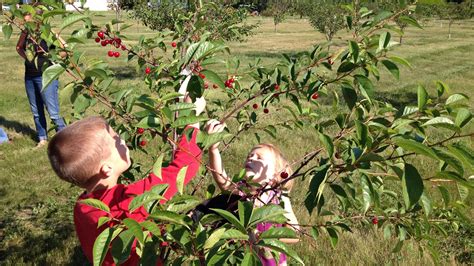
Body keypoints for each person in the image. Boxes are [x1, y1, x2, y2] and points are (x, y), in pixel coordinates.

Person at [47, 97, 206, 265]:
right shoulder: (131, 198)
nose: (122, 140)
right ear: (106, 168)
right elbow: (185, 165)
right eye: (116, 140)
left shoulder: (82, 207)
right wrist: (192, 117)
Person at [205, 119, 299, 266]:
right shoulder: (242, 192)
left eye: (259, 157)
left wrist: (267, 238)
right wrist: (213, 149)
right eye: (250, 155)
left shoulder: (279, 199)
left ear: (276, 174)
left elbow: (295, 234)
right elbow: (221, 178)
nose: (251, 157)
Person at [16, 12, 66, 147]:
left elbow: (65, 47)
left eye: (28, 19)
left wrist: (55, 61)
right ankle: (42, 138)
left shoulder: (46, 31)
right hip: (30, 76)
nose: (25, 22)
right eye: (24, 19)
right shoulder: (26, 32)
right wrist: (28, 59)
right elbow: (18, 47)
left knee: (52, 110)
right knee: (36, 110)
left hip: (46, 76)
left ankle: (64, 139)